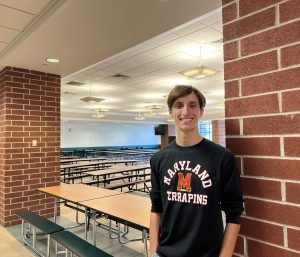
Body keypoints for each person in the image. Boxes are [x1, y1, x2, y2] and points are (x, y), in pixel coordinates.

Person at [149, 85, 244, 257]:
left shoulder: (222, 158)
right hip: (164, 253)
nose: (186, 111)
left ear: (201, 112)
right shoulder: (159, 159)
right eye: (179, 105)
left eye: (192, 105)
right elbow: (156, 209)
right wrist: (152, 252)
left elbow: (234, 214)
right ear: (171, 112)